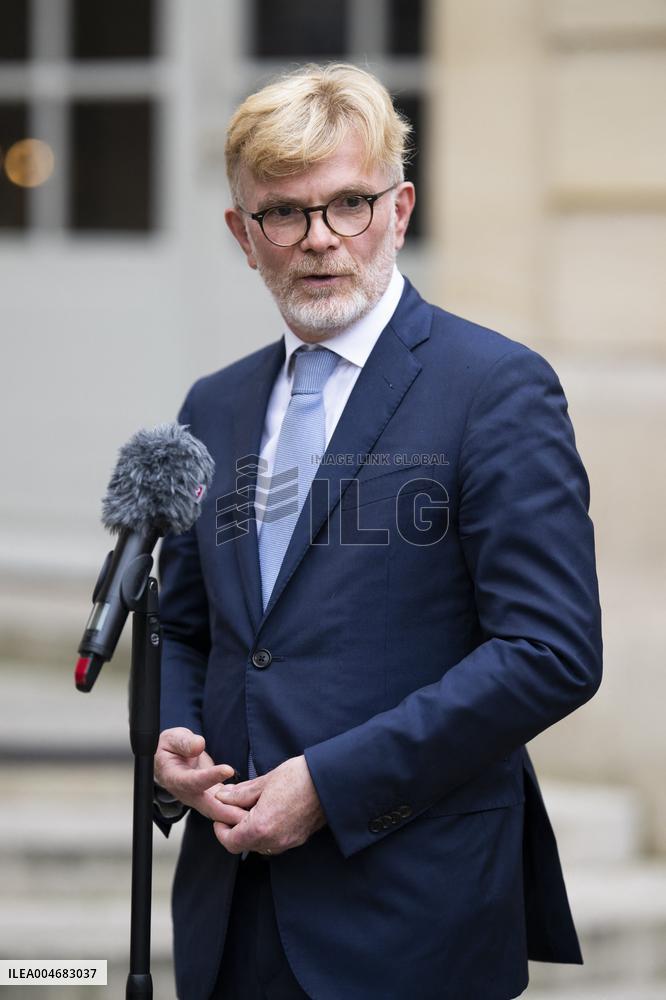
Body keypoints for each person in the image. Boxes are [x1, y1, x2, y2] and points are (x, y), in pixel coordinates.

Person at [153, 63, 602, 1000]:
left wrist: (331, 784)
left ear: (399, 210)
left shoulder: (494, 390)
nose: (319, 240)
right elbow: (184, 629)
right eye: (283, 213)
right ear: (243, 235)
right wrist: (171, 738)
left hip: (412, 914)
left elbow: (550, 650)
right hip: (229, 917)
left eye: (348, 204)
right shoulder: (214, 406)